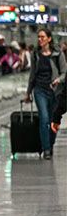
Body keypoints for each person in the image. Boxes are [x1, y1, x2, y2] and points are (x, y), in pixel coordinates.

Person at [25, 29, 67, 159]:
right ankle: (46, 149)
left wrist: (58, 80)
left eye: (43, 37)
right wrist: (28, 92)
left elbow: (65, 72)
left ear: (49, 39)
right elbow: (32, 74)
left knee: (53, 120)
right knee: (44, 119)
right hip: (40, 90)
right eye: (38, 37)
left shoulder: (57, 54)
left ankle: (50, 143)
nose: (40, 39)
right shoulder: (35, 54)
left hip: (55, 92)